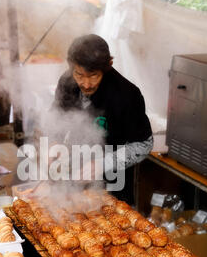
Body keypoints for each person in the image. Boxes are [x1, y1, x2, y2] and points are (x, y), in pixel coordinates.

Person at [53, 34, 153, 204]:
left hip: (114, 187)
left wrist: (102, 164)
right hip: (72, 179)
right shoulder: (66, 82)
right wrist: (54, 142)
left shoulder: (127, 94)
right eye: (79, 75)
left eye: (93, 76)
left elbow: (144, 144)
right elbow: (57, 119)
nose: (86, 83)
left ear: (108, 67)